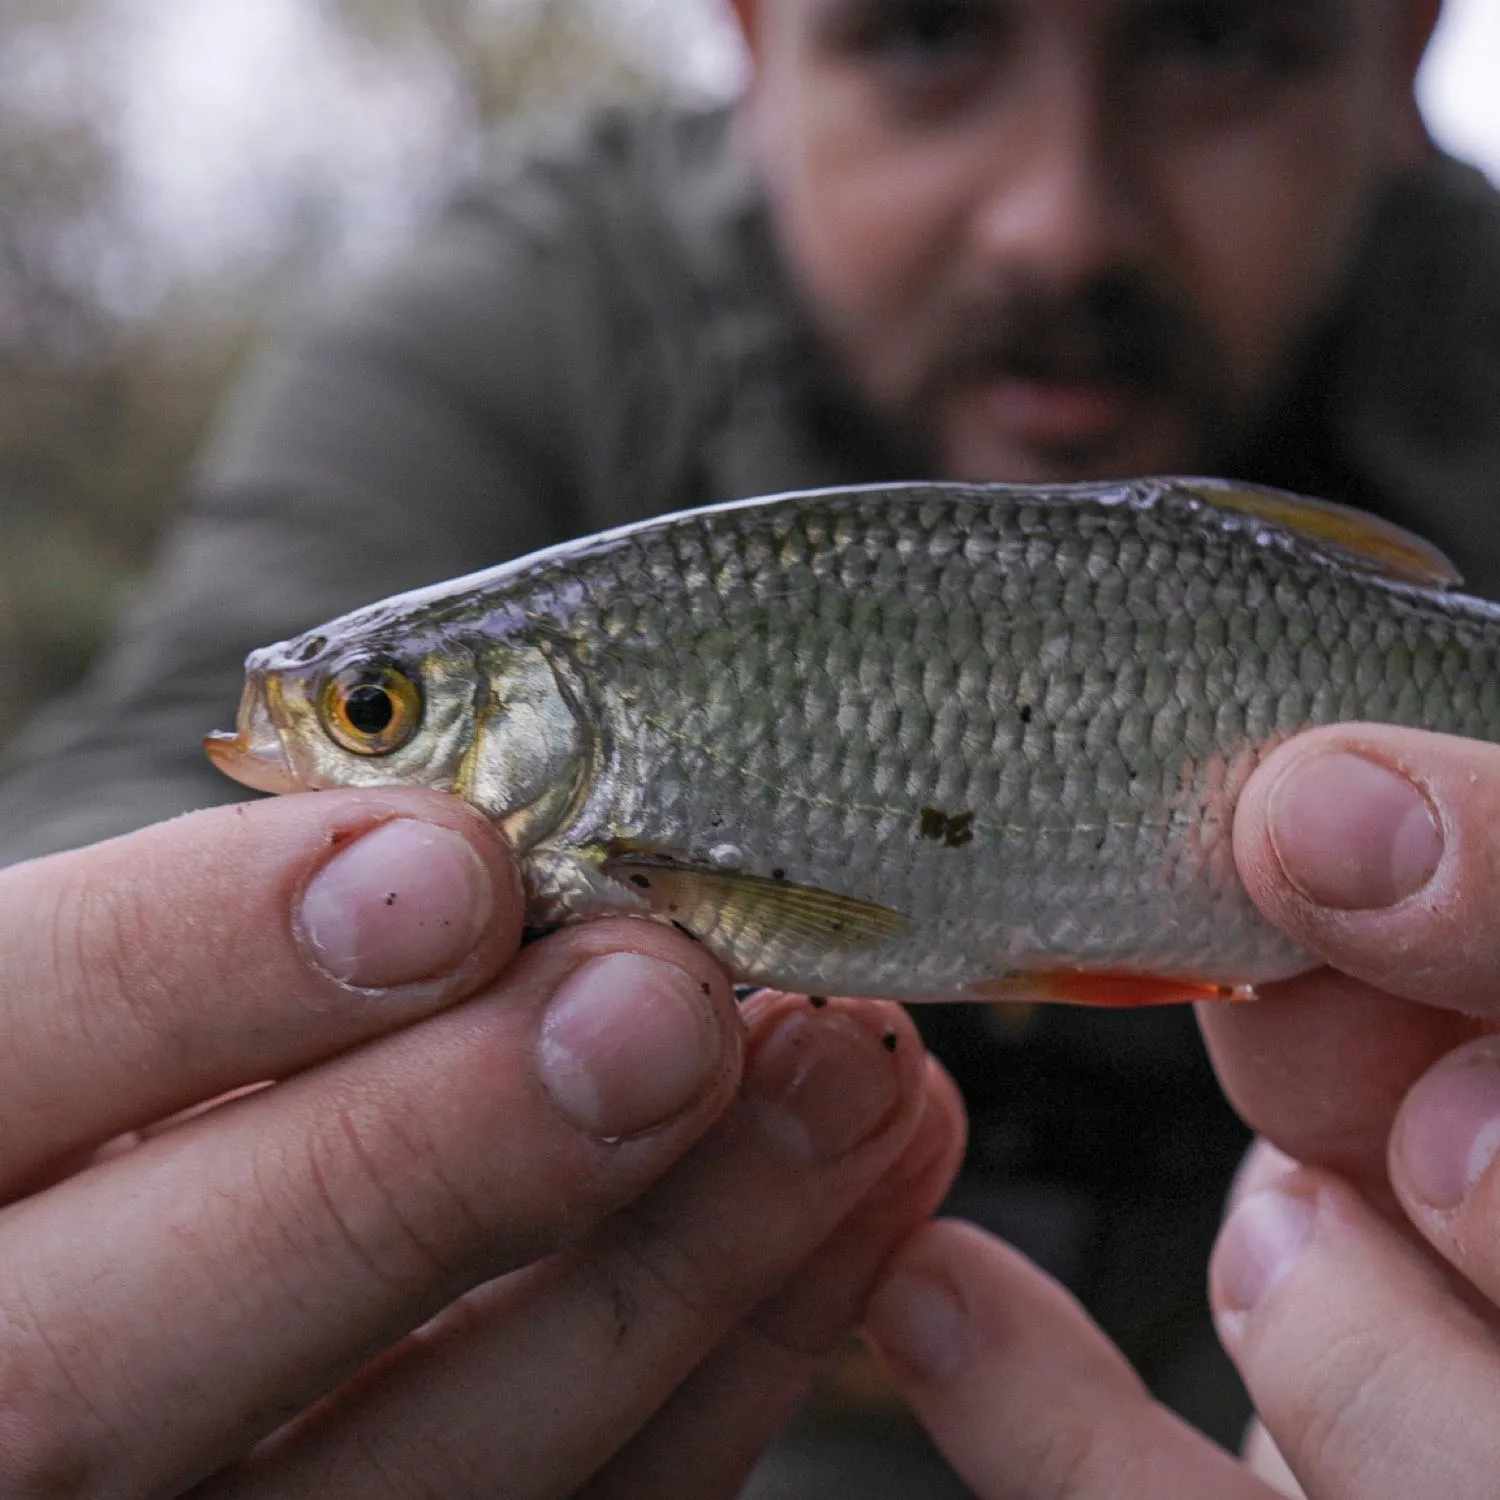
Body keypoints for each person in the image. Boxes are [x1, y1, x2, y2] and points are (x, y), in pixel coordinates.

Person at [0, 0, 1496, 1492]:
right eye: (923, 37)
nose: (1059, 222)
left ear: (1412, 51)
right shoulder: (527, 313)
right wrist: (154, 1139)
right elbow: (134, 778)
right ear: (751, 37)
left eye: (1224, 40)